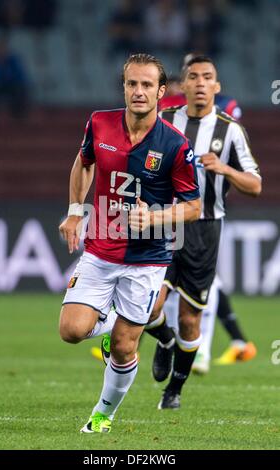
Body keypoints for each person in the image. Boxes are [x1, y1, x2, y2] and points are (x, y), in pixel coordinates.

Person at [59, 53, 201, 433]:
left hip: (147, 258)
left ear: (161, 92)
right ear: (124, 87)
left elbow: (193, 207)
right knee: (71, 330)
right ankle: (106, 325)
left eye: (146, 85)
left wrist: (154, 217)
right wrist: (75, 209)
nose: (139, 91)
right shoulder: (99, 123)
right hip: (101, 249)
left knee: (125, 347)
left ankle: (103, 414)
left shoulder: (174, 145)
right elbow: (84, 161)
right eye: (132, 84)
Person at [145, 55, 261, 409]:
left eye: (206, 77)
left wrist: (224, 168)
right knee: (147, 306)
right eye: (192, 76)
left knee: (190, 318)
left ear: (216, 86)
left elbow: (255, 184)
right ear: (182, 85)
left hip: (205, 229)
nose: (199, 82)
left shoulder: (230, 131)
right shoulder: (163, 120)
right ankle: (164, 341)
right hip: (163, 223)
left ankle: (174, 392)